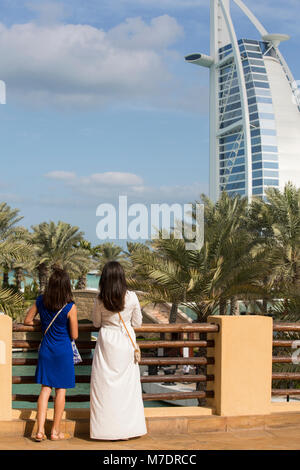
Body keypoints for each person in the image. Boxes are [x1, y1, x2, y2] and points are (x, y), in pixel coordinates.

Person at [90, 261, 147, 440]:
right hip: (125, 343)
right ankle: (127, 430)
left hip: (107, 342)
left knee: (104, 388)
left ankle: (105, 430)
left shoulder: (100, 298)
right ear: (122, 277)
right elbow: (137, 323)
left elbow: (96, 323)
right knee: (127, 389)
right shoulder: (132, 297)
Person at [24, 265, 78, 442]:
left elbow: (27, 320)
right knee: (60, 391)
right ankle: (55, 432)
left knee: (45, 389)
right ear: (66, 286)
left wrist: (41, 324)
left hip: (46, 349)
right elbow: (75, 334)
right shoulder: (70, 306)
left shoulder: (41, 301)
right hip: (63, 351)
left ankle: (39, 431)